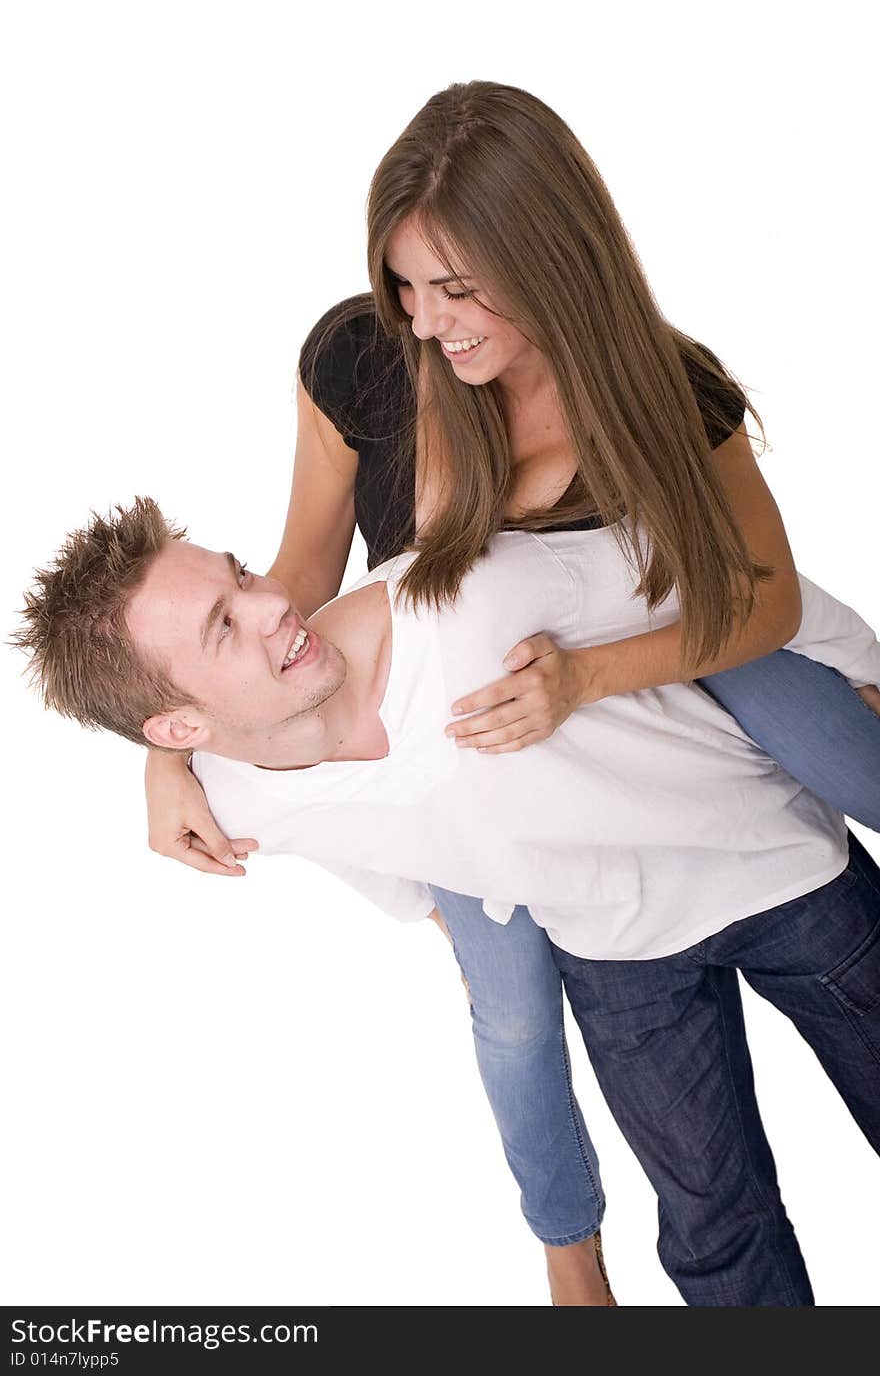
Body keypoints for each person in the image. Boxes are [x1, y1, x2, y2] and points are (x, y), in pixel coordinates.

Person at [134, 80, 880, 1303]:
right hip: (499, 791)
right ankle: (570, 1264)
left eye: (459, 288)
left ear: (549, 257)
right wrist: (169, 749)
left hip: (668, 701)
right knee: (520, 1015)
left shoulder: (656, 391)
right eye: (405, 287)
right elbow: (295, 585)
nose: (428, 322)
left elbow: (757, 598)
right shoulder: (366, 368)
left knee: (808, 724)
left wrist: (584, 679)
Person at [15, 496, 880, 1306]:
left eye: (239, 575)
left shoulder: (469, 595)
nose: (274, 604)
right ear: (178, 730)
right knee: (716, 1235)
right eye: (224, 626)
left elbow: (706, 567)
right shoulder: (235, 803)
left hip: (777, 872)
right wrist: (441, 924)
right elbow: (364, 849)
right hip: (615, 955)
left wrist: (864, 670)